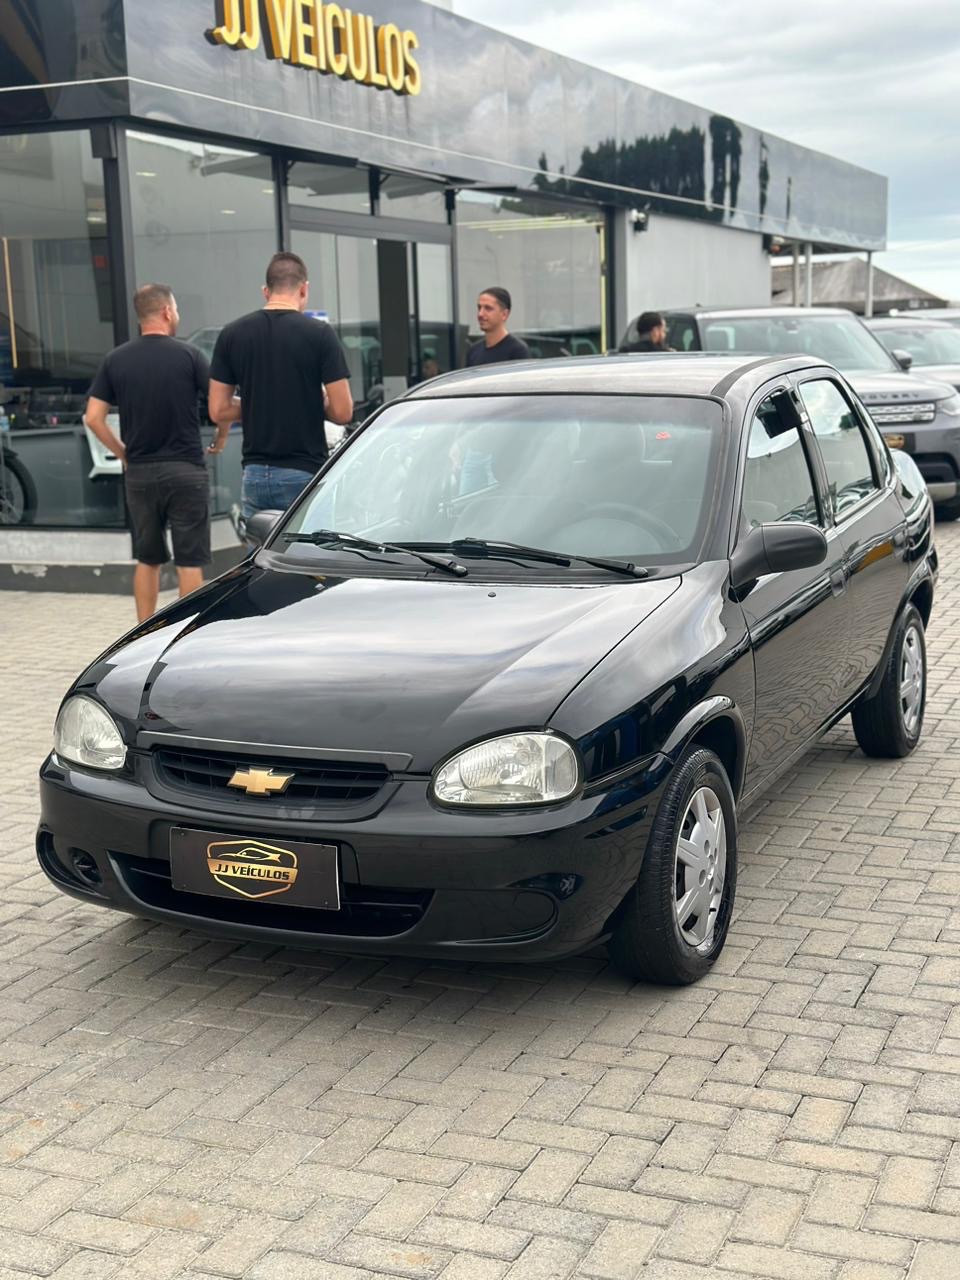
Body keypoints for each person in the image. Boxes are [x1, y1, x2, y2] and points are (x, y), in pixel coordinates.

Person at [86, 283, 215, 622]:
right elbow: (218, 405)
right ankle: (184, 633)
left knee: (148, 559)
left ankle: (142, 632)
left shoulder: (115, 359)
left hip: (140, 473)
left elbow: (93, 418)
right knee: (189, 562)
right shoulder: (190, 356)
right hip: (186, 470)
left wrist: (123, 453)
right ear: (167, 312)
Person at [208, 252, 353, 522]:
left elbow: (218, 410)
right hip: (303, 471)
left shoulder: (232, 334)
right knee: (306, 548)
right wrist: (311, 401)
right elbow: (343, 411)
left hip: (254, 474)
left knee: (262, 549)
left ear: (266, 291)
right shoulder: (320, 334)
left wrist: (259, 405)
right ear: (304, 289)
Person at [465, 287, 530, 365]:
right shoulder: (473, 351)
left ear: (504, 314)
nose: (480, 314)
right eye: (479, 308)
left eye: (488, 308)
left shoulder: (517, 351)